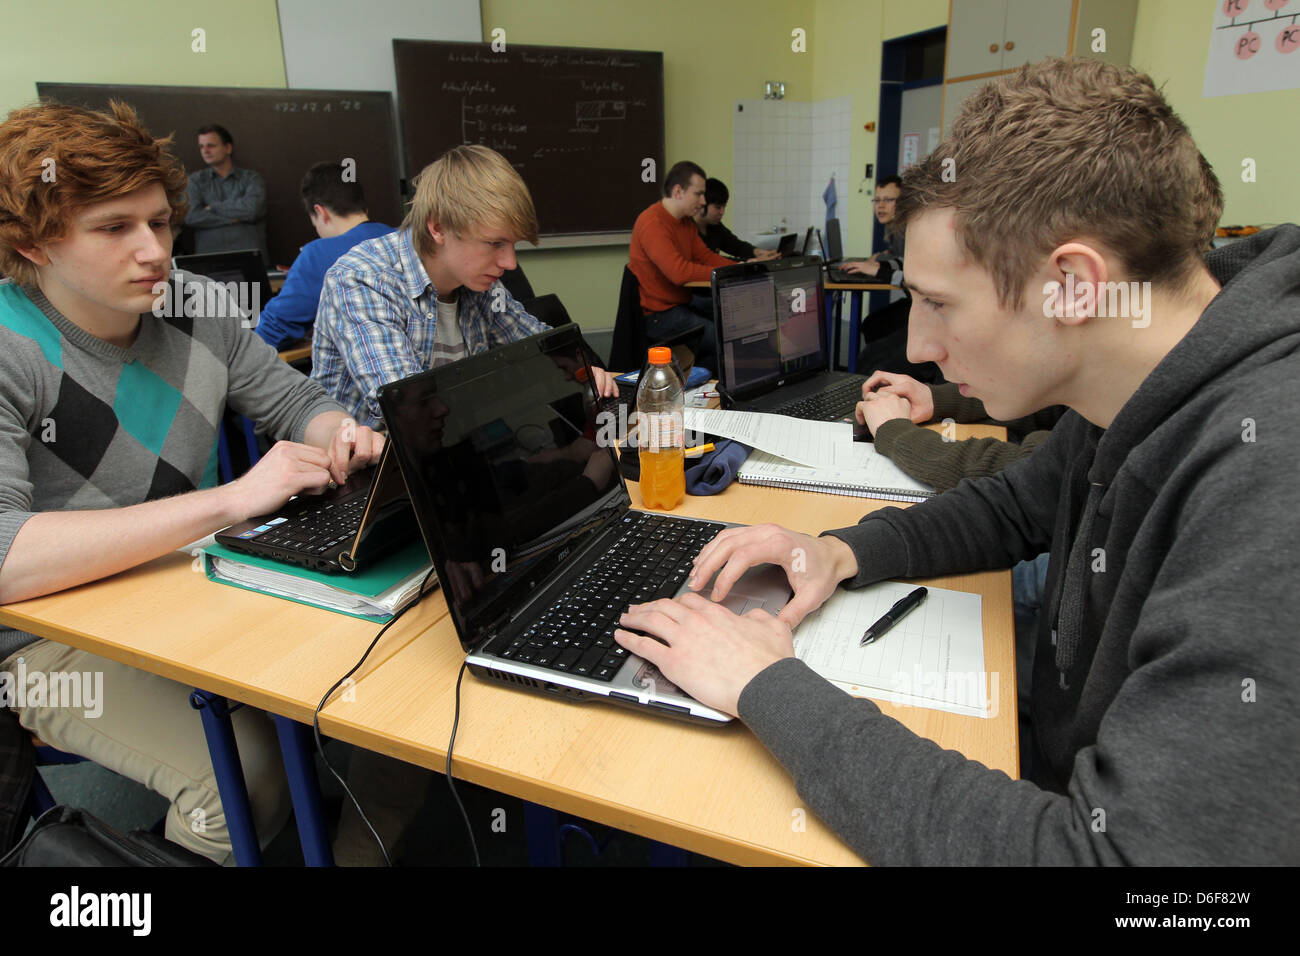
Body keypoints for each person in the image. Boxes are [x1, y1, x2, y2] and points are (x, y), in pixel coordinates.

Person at [613, 58, 1300, 864]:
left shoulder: (1268, 477)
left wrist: (770, 687)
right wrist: (837, 551)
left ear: (1074, 287)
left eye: (939, 303)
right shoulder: (1142, 376)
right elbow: (1014, 506)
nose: (917, 346)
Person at [0, 100, 384, 863]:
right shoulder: (11, 347)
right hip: (44, 643)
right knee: (241, 779)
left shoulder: (196, 308)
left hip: (185, 588)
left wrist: (343, 436)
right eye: (115, 228)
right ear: (34, 244)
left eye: (161, 222)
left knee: (372, 669)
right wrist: (233, 499)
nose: (155, 253)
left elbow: (296, 400)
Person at [312, 144, 616, 431]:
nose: (510, 262)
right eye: (495, 243)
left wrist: (583, 369)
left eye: (512, 244)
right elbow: (410, 411)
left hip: (451, 454)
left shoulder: (479, 285)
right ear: (439, 227)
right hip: (370, 473)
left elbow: (540, 346)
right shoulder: (363, 280)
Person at [254, 162, 393, 350]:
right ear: (363, 206)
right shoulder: (404, 239)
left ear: (321, 212)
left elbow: (274, 330)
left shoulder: (318, 254)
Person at [628, 161, 737, 373]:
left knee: (730, 322)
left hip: (681, 305)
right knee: (725, 340)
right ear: (678, 191)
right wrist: (725, 273)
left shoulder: (685, 222)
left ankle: (703, 379)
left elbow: (704, 256)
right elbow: (679, 272)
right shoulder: (652, 222)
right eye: (698, 194)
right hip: (661, 316)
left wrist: (739, 268)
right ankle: (698, 385)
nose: (703, 201)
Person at [184, 123, 268, 262]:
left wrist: (213, 208)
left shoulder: (251, 179)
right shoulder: (195, 181)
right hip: (209, 262)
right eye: (201, 146)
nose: (205, 151)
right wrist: (234, 218)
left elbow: (252, 210)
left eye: (211, 145)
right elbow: (191, 216)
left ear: (228, 148)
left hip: (249, 260)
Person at [693, 178, 778, 262]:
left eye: (724, 207)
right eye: (718, 207)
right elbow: (712, 261)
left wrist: (757, 252)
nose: (722, 212)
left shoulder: (716, 226)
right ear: (702, 203)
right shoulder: (688, 230)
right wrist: (750, 262)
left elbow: (737, 246)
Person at [840, 174, 902, 281]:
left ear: (904, 202)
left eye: (888, 200)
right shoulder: (895, 228)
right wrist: (883, 256)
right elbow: (898, 256)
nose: (881, 206)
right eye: (877, 200)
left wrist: (877, 262)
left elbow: (906, 267)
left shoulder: (908, 230)